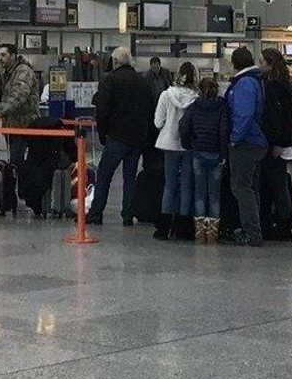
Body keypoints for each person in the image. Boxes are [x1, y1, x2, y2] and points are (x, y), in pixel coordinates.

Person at [91, 46, 156, 227]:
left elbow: (102, 110)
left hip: (116, 136)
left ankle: (96, 213)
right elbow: (150, 111)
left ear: (115, 61)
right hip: (137, 139)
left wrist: (102, 134)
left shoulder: (110, 80)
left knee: (104, 175)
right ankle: (127, 215)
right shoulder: (143, 82)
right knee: (129, 178)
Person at [221, 46, 267, 246]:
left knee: (241, 187)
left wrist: (234, 138)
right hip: (256, 141)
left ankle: (251, 232)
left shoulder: (245, 83)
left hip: (246, 142)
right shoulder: (255, 80)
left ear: (234, 63)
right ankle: (254, 228)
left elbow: (244, 113)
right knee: (250, 187)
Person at [257, 48, 292, 241]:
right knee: (279, 182)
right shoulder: (283, 84)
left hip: (274, 144)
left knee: (275, 184)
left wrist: (277, 142)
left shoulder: (273, 86)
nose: (259, 66)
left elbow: (277, 118)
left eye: (261, 62)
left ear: (269, 63)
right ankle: (283, 221)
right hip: (280, 143)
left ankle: (281, 222)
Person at [153, 61, 199, 240]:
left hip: (169, 144)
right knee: (187, 185)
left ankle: (163, 228)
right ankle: (184, 229)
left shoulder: (166, 94)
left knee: (170, 184)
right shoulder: (197, 97)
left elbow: (158, 122)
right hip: (189, 146)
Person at [180, 77, 228, 244]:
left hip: (198, 153)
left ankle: (200, 233)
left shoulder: (194, 106)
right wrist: (223, 154)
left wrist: (189, 144)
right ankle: (213, 234)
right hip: (216, 154)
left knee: (199, 193)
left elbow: (184, 126)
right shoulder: (222, 106)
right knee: (214, 195)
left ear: (199, 89)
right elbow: (223, 131)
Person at [0, 44, 42, 151]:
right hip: (13, 124)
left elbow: (18, 95)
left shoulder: (23, 71)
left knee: (18, 158)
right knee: (15, 157)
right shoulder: (8, 73)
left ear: (13, 56)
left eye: (3, 55)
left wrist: (1, 112)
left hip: (25, 124)